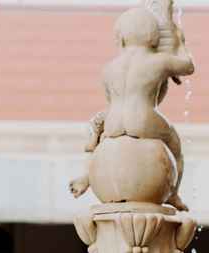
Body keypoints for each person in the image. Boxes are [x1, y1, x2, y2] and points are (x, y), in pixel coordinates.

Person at [69, 5, 195, 211]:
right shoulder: (158, 60)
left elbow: (111, 100)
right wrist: (179, 40)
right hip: (143, 117)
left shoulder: (109, 67)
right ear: (154, 37)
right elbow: (188, 66)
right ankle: (174, 194)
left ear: (121, 39)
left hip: (114, 122)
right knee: (176, 146)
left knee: (96, 133)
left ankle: (88, 174)